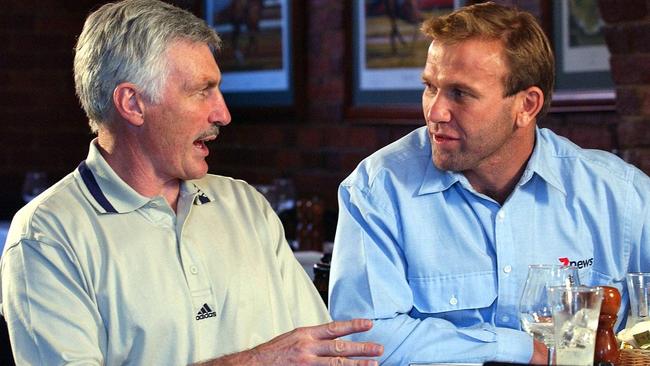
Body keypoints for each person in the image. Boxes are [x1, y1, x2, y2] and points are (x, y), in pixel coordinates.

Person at [0, 0, 383, 365]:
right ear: (132, 103)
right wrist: (251, 362)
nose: (224, 113)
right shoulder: (45, 235)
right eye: (202, 91)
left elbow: (319, 352)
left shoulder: (245, 204)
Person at [329, 2, 650, 365]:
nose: (434, 112)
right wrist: (518, 348)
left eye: (460, 94)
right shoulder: (377, 189)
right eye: (430, 87)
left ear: (527, 105)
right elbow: (362, 339)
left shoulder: (621, 197)